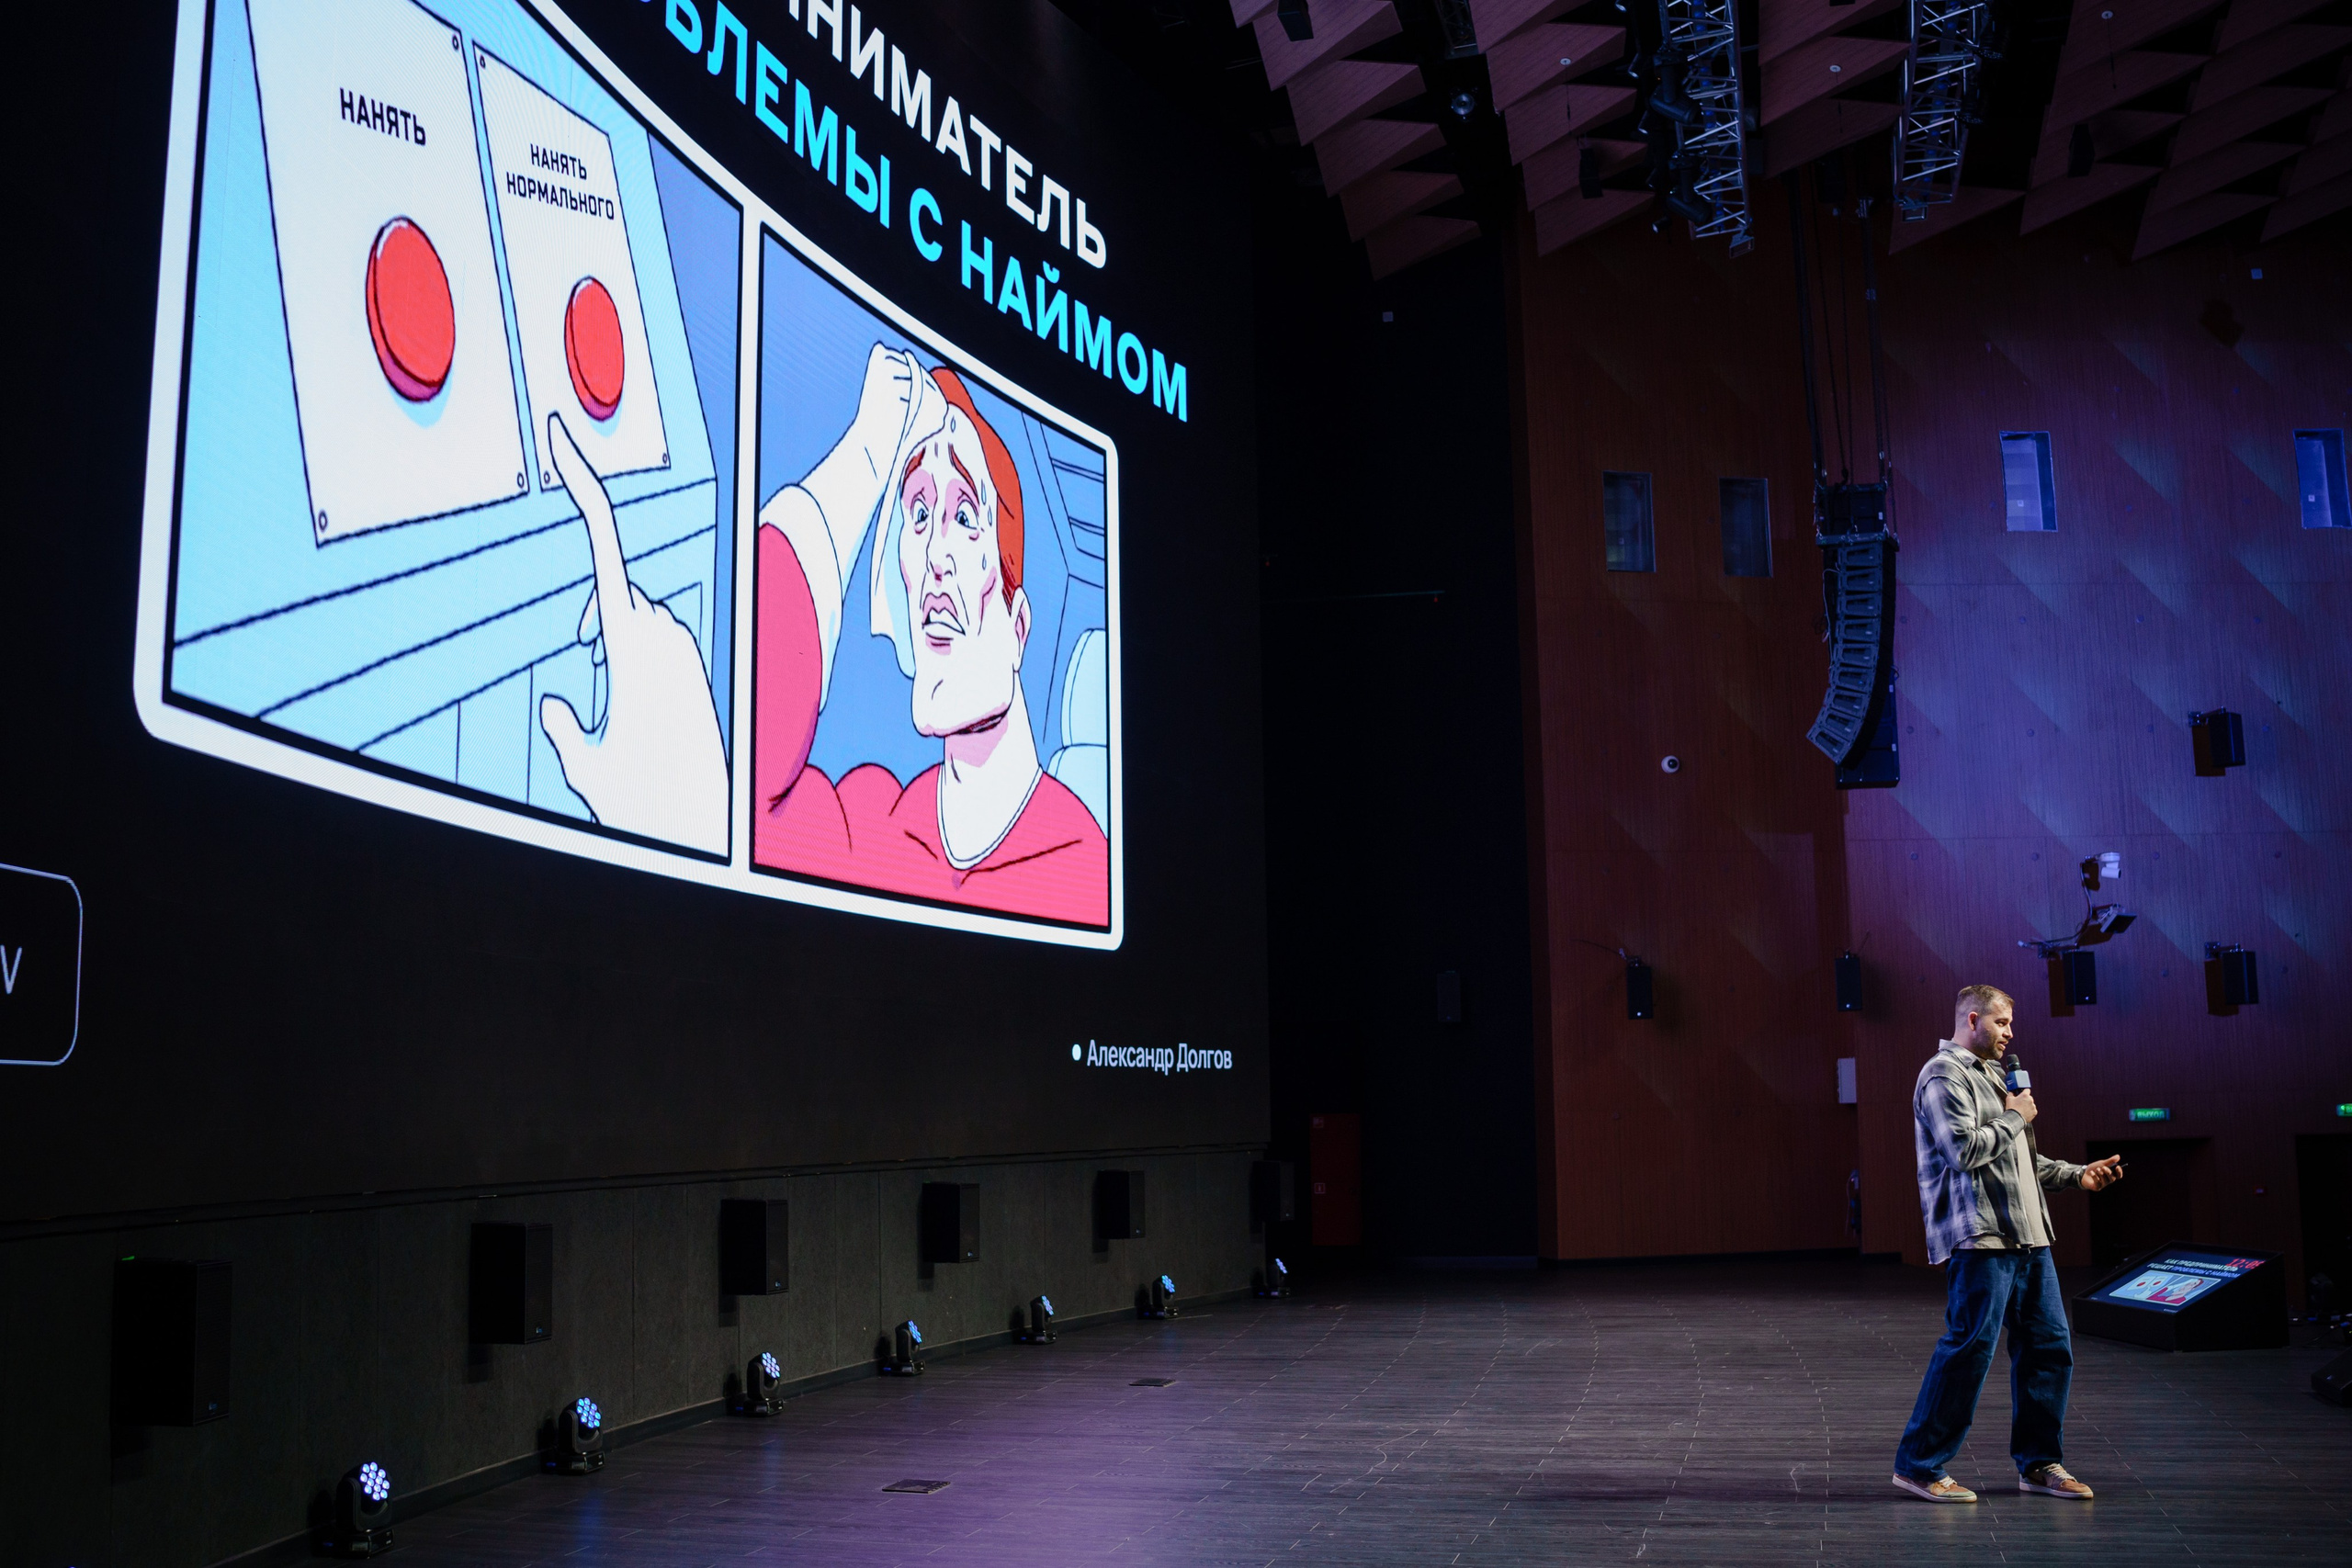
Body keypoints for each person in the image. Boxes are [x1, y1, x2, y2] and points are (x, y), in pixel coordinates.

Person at [751, 347, 1107, 925]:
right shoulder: (878, 823)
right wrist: (869, 449)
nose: (933, 554)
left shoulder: (1081, 865)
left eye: (967, 517)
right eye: (917, 514)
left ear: (1018, 630)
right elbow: (754, 790)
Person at [1892, 983, 2124, 1505]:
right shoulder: (1942, 1075)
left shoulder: (1998, 1078)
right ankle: (1919, 1466)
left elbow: (2019, 1161)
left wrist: (2077, 1174)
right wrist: (2017, 1115)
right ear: (1972, 1019)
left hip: (2029, 1238)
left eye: (2010, 1025)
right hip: (1981, 1238)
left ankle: (2040, 1463)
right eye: (2001, 1024)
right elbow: (1964, 1151)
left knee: (2049, 1350)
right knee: (1969, 1351)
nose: (2009, 1034)